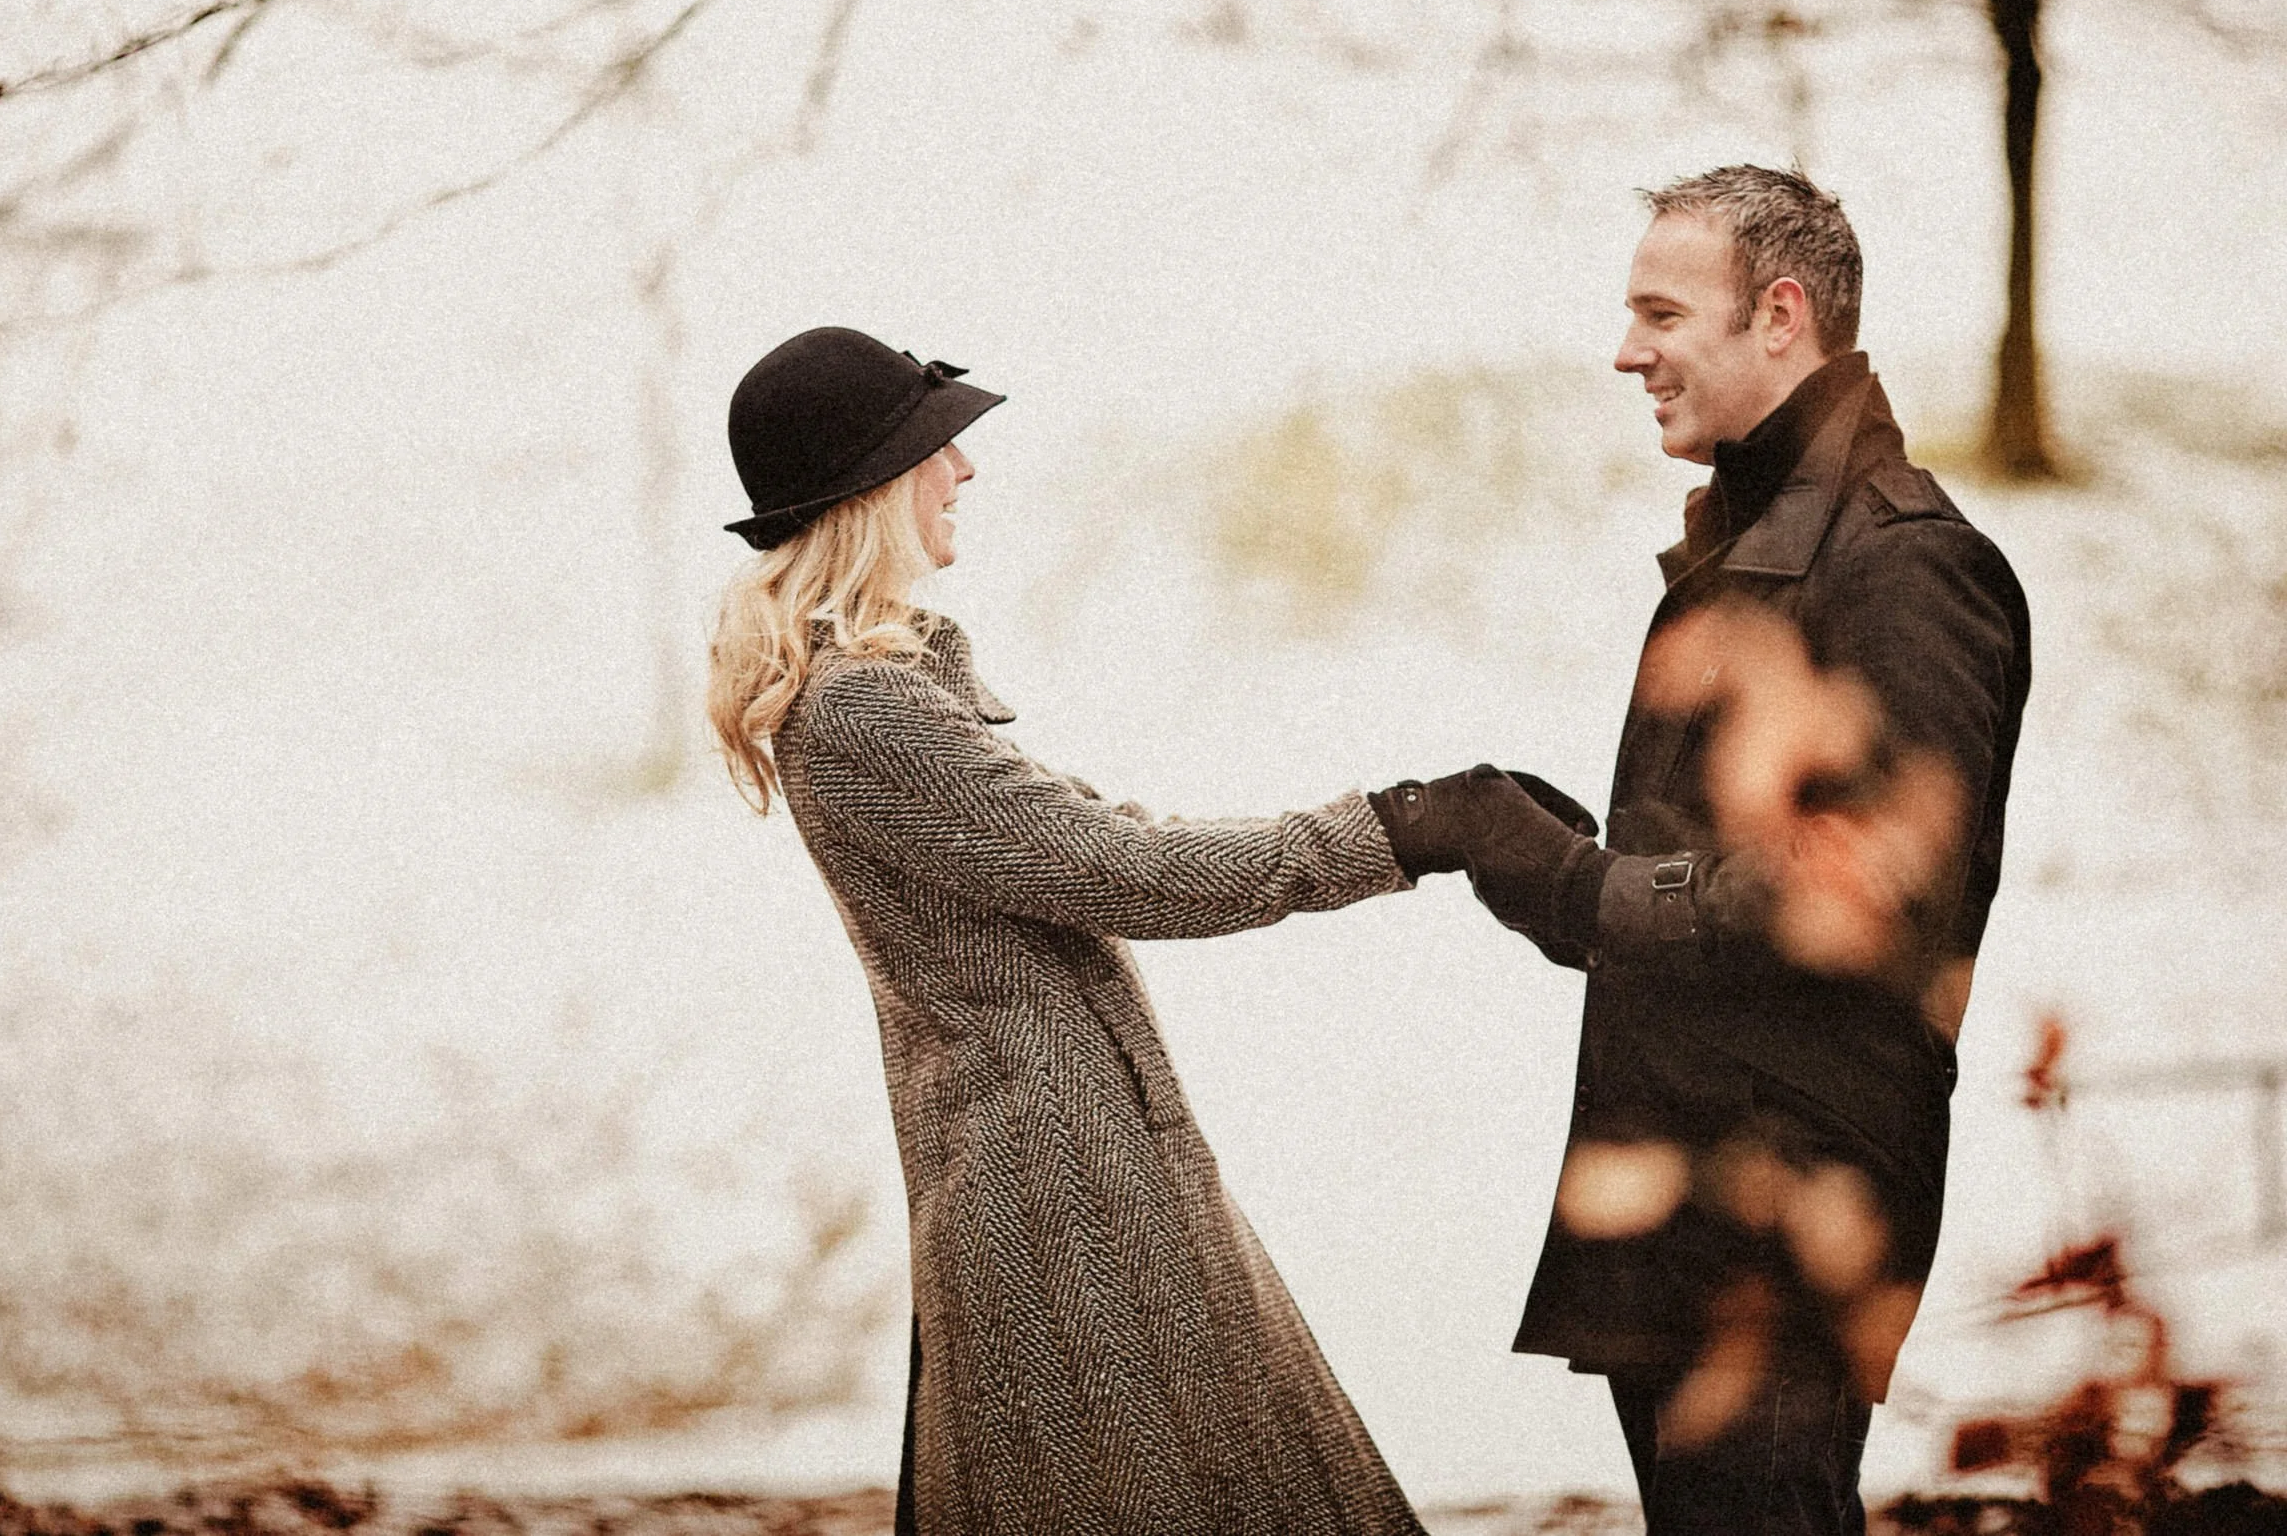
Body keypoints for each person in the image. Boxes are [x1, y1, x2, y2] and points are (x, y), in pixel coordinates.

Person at [706, 326, 1500, 1536]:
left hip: (1065, 1168)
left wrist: (1401, 828)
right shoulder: (866, 709)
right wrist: (1397, 830)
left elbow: (1091, 842)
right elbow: (1120, 867)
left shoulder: (882, 690)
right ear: (868, 493)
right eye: (933, 449)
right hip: (1058, 1198)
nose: (962, 470)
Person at [1410, 167, 2032, 1534]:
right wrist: (1546, 850)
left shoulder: (1906, 561)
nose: (1626, 351)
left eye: (1660, 312)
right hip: (1700, 1187)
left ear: (1781, 315)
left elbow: (1881, 881)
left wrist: (1590, 889)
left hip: (1780, 1213)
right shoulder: (1765, 540)